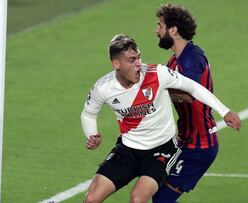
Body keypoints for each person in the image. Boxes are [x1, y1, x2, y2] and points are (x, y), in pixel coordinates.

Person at [80, 34, 240, 203]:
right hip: (128, 148)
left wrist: (224, 111)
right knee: (91, 199)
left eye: (139, 58)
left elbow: (193, 87)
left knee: (137, 199)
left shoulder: (158, 73)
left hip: (161, 150)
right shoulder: (103, 88)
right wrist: (92, 134)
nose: (138, 65)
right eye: (132, 60)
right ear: (116, 64)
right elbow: (89, 113)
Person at [152, 4, 235, 202]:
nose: (157, 30)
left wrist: (160, 92)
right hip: (184, 141)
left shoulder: (192, 58)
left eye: (160, 25)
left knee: (162, 198)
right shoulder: (174, 62)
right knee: (153, 188)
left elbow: (190, 94)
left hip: (200, 146)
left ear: (173, 30)